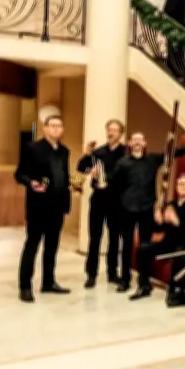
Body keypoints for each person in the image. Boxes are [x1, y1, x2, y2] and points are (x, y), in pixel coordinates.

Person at [108, 132, 185, 293]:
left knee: (144, 246)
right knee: (127, 246)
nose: (137, 143)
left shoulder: (153, 160)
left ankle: (144, 281)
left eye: (140, 140)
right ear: (129, 143)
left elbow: (172, 154)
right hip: (127, 209)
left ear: (145, 143)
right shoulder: (122, 163)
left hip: (147, 209)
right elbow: (113, 183)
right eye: (134, 140)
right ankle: (125, 280)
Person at [14, 115, 71, 303]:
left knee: (52, 247)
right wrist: (32, 183)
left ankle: (48, 282)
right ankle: (25, 286)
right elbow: (19, 174)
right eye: (52, 126)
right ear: (45, 128)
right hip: (38, 206)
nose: (56, 129)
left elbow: (65, 175)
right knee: (32, 245)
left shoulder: (64, 151)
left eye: (59, 126)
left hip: (58, 206)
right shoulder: (32, 148)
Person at [130, 174, 185, 303]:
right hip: (167, 242)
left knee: (179, 256)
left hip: (183, 244)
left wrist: (176, 221)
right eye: (180, 184)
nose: (183, 187)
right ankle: (144, 286)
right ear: (176, 187)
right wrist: (158, 219)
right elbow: (160, 228)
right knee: (144, 249)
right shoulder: (171, 204)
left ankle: (174, 291)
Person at [78, 119, 127, 289]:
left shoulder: (125, 153)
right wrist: (86, 155)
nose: (111, 132)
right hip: (98, 199)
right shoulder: (97, 152)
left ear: (121, 133)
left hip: (116, 200)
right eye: (109, 129)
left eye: (115, 130)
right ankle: (91, 275)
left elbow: (125, 175)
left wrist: (107, 177)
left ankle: (112, 273)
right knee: (95, 238)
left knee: (114, 238)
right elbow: (80, 168)